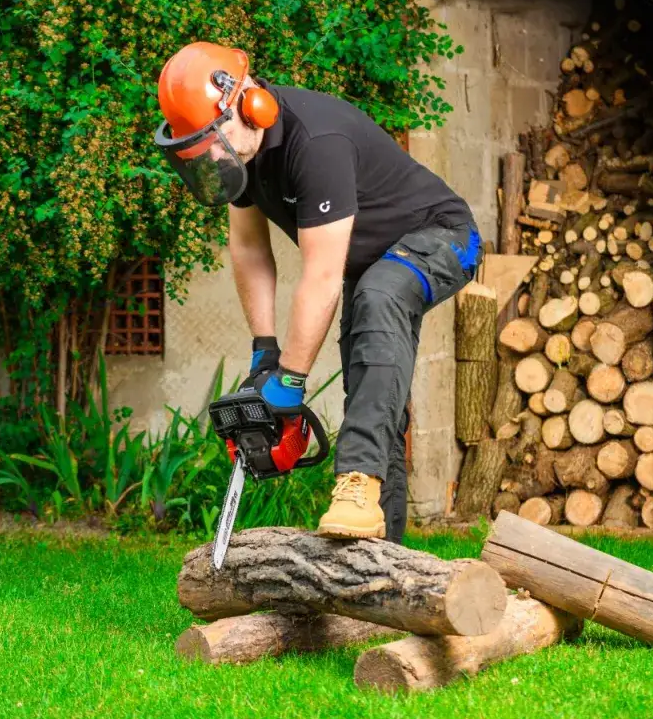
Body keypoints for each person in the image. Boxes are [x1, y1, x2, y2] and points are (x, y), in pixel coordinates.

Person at [153, 42, 480, 544]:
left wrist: (290, 381)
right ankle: (382, 555)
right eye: (201, 148)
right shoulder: (244, 155)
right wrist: (265, 354)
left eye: (215, 139)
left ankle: (358, 481)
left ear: (250, 103)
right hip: (371, 263)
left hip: (445, 236)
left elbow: (323, 275)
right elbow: (250, 252)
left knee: (378, 296)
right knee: (372, 389)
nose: (213, 155)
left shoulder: (316, 142)